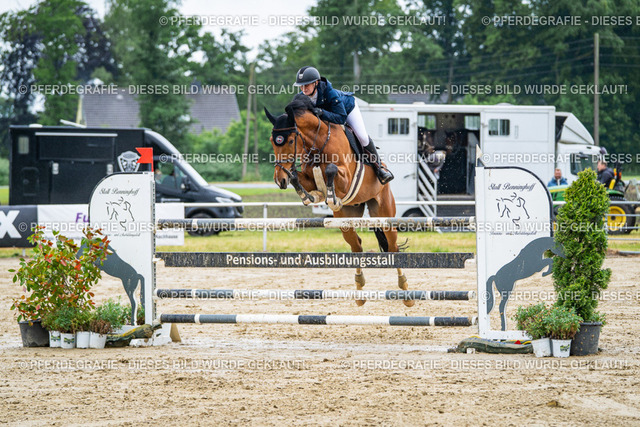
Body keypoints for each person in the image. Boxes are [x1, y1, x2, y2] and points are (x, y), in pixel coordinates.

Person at [293, 66, 393, 184]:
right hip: (328, 116)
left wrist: (322, 113)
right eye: (301, 86)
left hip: (347, 110)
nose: (303, 89)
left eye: (306, 85)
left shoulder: (330, 93)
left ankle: (379, 168)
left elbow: (341, 118)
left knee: (362, 137)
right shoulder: (301, 97)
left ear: (316, 83)